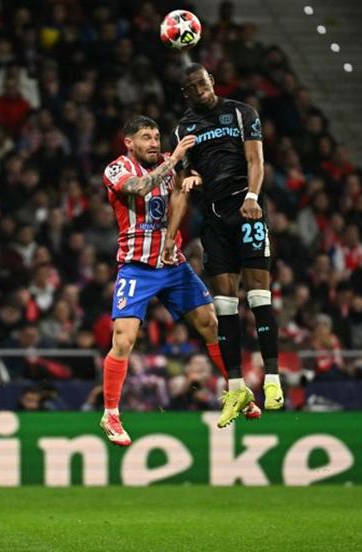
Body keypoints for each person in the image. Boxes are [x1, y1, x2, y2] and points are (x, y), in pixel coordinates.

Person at [99, 115, 260, 446]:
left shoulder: (173, 163)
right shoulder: (117, 169)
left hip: (173, 264)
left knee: (211, 323)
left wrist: (192, 179)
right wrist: (174, 162)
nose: (154, 143)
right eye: (146, 137)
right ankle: (111, 413)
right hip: (137, 266)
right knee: (124, 338)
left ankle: (236, 389)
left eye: (157, 136)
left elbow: (186, 188)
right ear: (129, 142)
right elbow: (139, 188)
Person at [169, 63, 284, 427]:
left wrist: (252, 196)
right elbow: (188, 171)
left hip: (246, 209)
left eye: (202, 83)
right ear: (186, 93)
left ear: (211, 82)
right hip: (215, 220)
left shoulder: (241, 112)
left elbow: (255, 159)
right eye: (191, 87)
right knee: (224, 303)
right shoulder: (184, 127)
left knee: (259, 295)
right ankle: (235, 387)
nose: (199, 90)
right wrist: (192, 178)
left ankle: (272, 379)